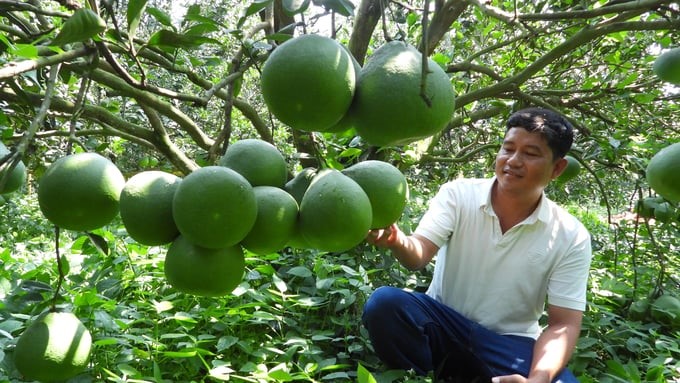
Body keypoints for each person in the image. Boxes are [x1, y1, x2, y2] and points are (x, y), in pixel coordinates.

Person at [362, 107, 592, 383]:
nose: (513, 161)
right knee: (385, 304)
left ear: (557, 168)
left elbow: (562, 325)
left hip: (507, 344)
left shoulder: (570, 234)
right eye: (508, 149)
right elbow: (419, 254)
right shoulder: (459, 195)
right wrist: (398, 241)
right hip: (442, 324)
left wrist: (537, 380)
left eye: (530, 154)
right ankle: (425, 374)